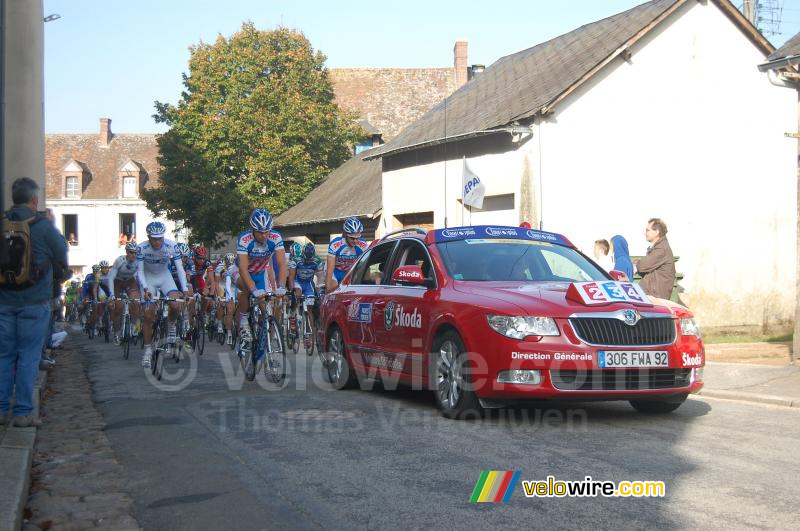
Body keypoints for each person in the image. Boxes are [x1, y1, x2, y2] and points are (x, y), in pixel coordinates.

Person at [0, 177, 68, 427]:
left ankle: (0, 409)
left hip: (4, 300)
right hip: (34, 299)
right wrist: (51, 225)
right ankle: (23, 413)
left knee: (4, 355)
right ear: (33, 200)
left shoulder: (3, 221)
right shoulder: (41, 226)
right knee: (28, 355)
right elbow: (62, 253)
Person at [137, 221, 190, 368]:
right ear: (148, 237)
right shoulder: (141, 248)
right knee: (148, 316)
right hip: (148, 279)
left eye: (160, 238)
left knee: (175, 305)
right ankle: (147, 351)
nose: (157, 241)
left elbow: (179, 269)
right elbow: (140, 271)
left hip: (165, 277)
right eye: (154, 238)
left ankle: (171, 325)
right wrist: (146, 289)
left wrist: (184, 289)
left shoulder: (172, 245)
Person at [235, 208, 287, 344]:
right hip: (242, 272)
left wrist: (281, 285)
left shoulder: (276, 237)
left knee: (266, 308)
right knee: (247, 289)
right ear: (252, 229)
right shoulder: (244, 239)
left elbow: (282, 263)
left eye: (267, 231)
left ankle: (267, 347)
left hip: (260, 273)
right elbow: (243, 268)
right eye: (260, 232)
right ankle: (244, 322)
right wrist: (253, 289)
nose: (264, 235)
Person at [107, 242, 142, 345]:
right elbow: (111, 277)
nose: (133, 255)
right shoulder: (119, 260)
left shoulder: (138, 262)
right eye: (131, 253)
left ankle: (133, 327)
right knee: (118, 307)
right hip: (117, 281)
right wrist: (112, 294)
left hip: (130, 281)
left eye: (135, 253)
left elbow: (140, 277)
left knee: (136, 302)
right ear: (126, 252)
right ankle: (117, 333)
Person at [636, 218, 676, 300]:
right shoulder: (658, 247)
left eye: (647, 230)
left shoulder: (661, 249)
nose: (645, 233)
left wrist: (639, 262)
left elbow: (642, 266)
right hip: (652, 296)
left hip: (656, 298)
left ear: (657, 232)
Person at [326, 217, 368, 292]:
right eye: (352, 238)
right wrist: (328, 290)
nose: (355, 241)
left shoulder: (363, 245)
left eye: (357, 238)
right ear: (345, 234)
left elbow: (365, 268)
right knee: (333, 289)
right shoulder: (335, 244)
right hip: (335, 270)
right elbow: (330, 271)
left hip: (349, 272)